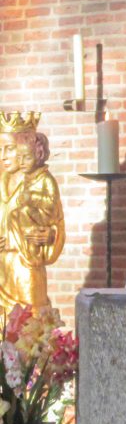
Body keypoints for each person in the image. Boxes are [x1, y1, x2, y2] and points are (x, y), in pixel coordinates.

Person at [0, 121, 65, 315]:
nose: (3, 156)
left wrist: (51, 235)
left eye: (9, 148)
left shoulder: (42, 181)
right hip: (2, 268)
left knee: (31, 322)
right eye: (0, 149)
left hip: (27, 265)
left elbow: (56, 220)